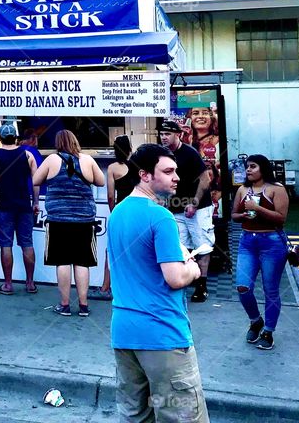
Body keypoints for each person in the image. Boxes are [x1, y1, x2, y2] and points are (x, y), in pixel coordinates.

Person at [108, 143, 208, 423]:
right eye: (167, 171)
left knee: (135, 416)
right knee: (182, 417)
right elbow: (175, 278)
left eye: (176, 171)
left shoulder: (117, 213)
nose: (176, 177)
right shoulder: (160, 216)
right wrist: (193, 269)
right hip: (162, 335)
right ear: (145, 175)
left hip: (124, 333)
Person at [33, 130, 105, 317]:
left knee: (62, 261)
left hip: (58, 219)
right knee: (82, 262)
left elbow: (35, 180)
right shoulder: (87, 160)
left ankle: (64, 305)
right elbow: (101, 181)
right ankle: (83, 305)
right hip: (84, 219)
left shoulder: (51, 160)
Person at [230, 154, 290, 351]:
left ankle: (268, 331)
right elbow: (234, 216)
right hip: (247, 241)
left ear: (263, 168)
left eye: (253, 166)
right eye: (247, 167)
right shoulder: (242, 189)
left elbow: (281, 218)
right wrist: (244, 214)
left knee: (270, 288)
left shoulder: (276, 189)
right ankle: (255, 320)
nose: (248, 170)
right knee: (242, 286)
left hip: (272, 242)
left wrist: (257, 208)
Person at [158, 120, 213, 302]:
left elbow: (205, 179)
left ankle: (202, 286)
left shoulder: (190, 153)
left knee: (202, 246)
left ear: (178, 135)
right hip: (175, 208)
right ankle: (182, 280)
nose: (163, 137)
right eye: (162, 134)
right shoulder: (162, 154)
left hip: (198, 208)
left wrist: (194, 203)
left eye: (167, 134)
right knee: (179, 247)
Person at [0, 124, 37, 295]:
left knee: (5, 245)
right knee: (27, 243)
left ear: (0, 138)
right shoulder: (27, 154)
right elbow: (35, 182)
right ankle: (30, 283)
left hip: (3, 207)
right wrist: (35, 202)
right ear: (16, 137)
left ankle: (8, 284)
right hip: (24, 206)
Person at [92, 135, 138, 302]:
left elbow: (111, 196)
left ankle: (106, 287)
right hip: (137, 211)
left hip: (121, 211)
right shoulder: (138, 166)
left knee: (111, 250)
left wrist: (114, 213)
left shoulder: (112, 168)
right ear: (130, 149)